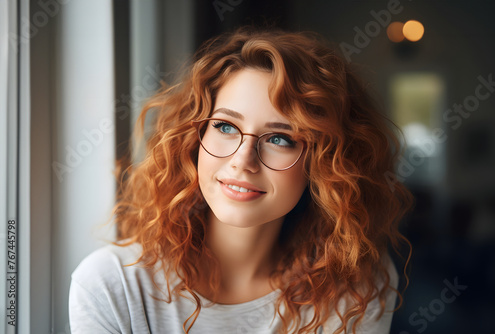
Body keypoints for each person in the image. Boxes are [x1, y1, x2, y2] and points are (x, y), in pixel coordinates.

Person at [69, 27, 413, 334]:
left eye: (280, 138)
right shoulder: (112, 286)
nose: (242, 161)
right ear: (193, 137)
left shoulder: (356, 287)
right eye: (225, 127)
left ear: (324, 163)